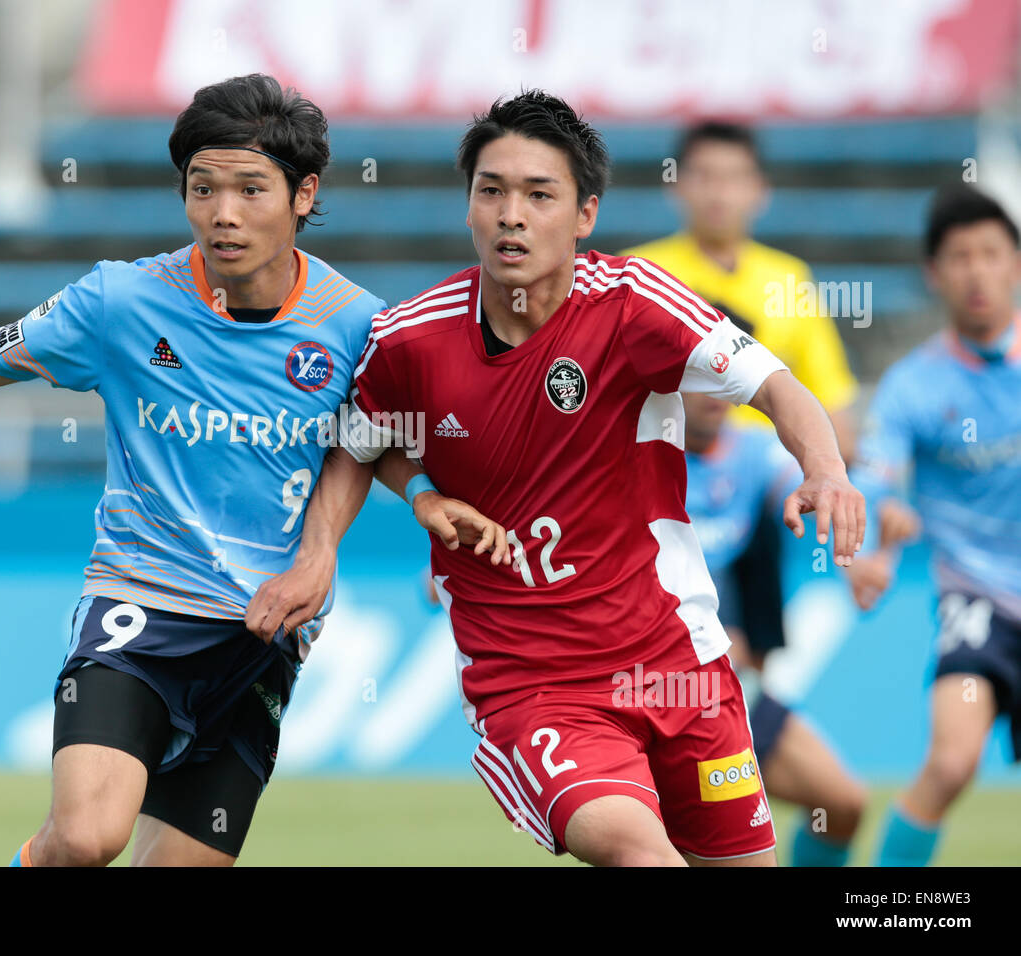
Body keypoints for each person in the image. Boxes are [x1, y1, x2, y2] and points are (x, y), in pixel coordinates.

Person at [0, 73, 504, 867]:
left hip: (264, 634)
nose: (224, 213)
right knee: (83, 838)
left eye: (251, 189)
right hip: (139, 609)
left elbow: (370, 435)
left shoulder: (354, 324)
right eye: (203, 188)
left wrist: (400, 504)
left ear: (304, 194)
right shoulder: (121, 301)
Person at [246, 90, 865, 866]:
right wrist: (333, 545)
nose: (513, 214)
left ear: (584, 216)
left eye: (540, 195)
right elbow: (358, 445)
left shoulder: (637, 304)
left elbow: (774, 385)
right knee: (643, 855)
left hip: (680, 666)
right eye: (492, 191)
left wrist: (828, 470)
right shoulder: (410, 340)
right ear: (468, 207)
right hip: (535, 686)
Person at [845, 184, 1021, 867]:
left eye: (990, 254)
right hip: (976, 596)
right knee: (951, 762)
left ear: (1014, 264)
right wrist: (870, 543)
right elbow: (876, 477)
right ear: (934, 273)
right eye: (959, 258)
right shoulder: (912, 387)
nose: (976, 271)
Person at [684, 357, 868, 867]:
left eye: (723, 383)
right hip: (652, 685)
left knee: (840, 804)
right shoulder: (629, 454)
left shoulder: (751, 455)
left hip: (727, 682)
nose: (713, 396)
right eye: (697, 382)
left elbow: (825, 482)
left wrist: (861, 550)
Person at [623, 121, 859, 462]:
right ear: (675, 185)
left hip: (769, 480)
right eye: (704, 176)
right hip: (662, 464)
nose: (719, 193)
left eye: (734, 178)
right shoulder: (639, 273)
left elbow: (833, 409)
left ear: (760, 190)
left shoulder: (790, 280)